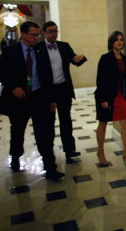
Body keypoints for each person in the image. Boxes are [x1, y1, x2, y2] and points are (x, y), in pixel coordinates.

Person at [0, 21, 64, 180]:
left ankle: (50, 168)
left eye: (38, 35)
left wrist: (52, 98)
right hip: (19, 99)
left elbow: (48, 76)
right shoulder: (9, 51)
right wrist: (13, 87)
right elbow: (1, 74)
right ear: (24, 34)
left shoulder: (40, 50)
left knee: (44, 134)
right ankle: (15, 157)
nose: (36, 38)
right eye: (33, 35)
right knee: (18, 131)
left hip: (38, 97)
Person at [36, 21, 87, 162]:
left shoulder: (64, 46)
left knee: (66, 121)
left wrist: (82, 57)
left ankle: (69, 150)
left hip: (63, 89)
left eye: (56, 31)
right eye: (51, 31)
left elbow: (75, 60)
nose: (54, 34)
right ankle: (48, 152)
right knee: (49, 123)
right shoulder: (38, 48)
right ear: (44, 33)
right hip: (48, 91)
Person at [94, 31, 126, 167]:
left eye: (121, 40)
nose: (120, 42)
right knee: (103, 123)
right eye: (117, 40)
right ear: (111, 42)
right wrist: (103, 99)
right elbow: (100, 80)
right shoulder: (105, 58)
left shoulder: (125, 59)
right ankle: (100, 152)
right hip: (106, 96)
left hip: (121, 96)